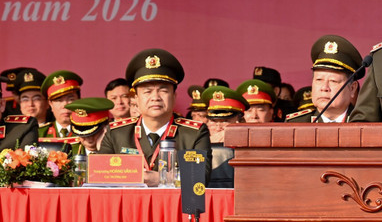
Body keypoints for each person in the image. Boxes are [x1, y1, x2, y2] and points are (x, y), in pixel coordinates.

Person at [99, 48, 212, 186]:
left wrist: (161, 179)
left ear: (174, 97)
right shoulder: (117, 133)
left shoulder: (194, 133)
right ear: (135, 99)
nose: (155, 98)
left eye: (163, 91)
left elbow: (200, 177)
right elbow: (99, 175)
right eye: (147, 92)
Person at [287, 35, 365, 123]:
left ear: (352, 88)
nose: (324, 88)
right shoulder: (296, 124)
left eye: (333, 81)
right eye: (319, 80)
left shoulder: (364, 124)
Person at [201, 85, 248, 187]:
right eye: (213, 121)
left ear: (239, 122)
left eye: (225, 121)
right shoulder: (199, 145)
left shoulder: (248, 147)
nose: (218, 128)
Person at [39, 70, 83, 138]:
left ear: (79, 101)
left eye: (70, 99)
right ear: (50, 104)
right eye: (59, 100)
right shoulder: (40, 134)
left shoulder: (88, 134)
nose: (65, 105)